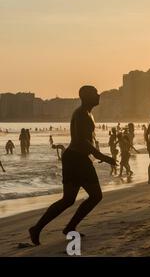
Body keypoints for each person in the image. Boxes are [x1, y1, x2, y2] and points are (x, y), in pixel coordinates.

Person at [29, 86, 116, 246]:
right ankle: (63, 227)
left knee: (69, 199)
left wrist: (98, 155)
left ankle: (47, 228)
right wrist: (101, 156)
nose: (99, 95)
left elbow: (86, 140)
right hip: (77, 159)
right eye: (95, 93)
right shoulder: (82, 114)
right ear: (86, 96)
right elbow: (82, 140)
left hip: (74, 158)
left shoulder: (87, 113)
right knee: (94, 196)